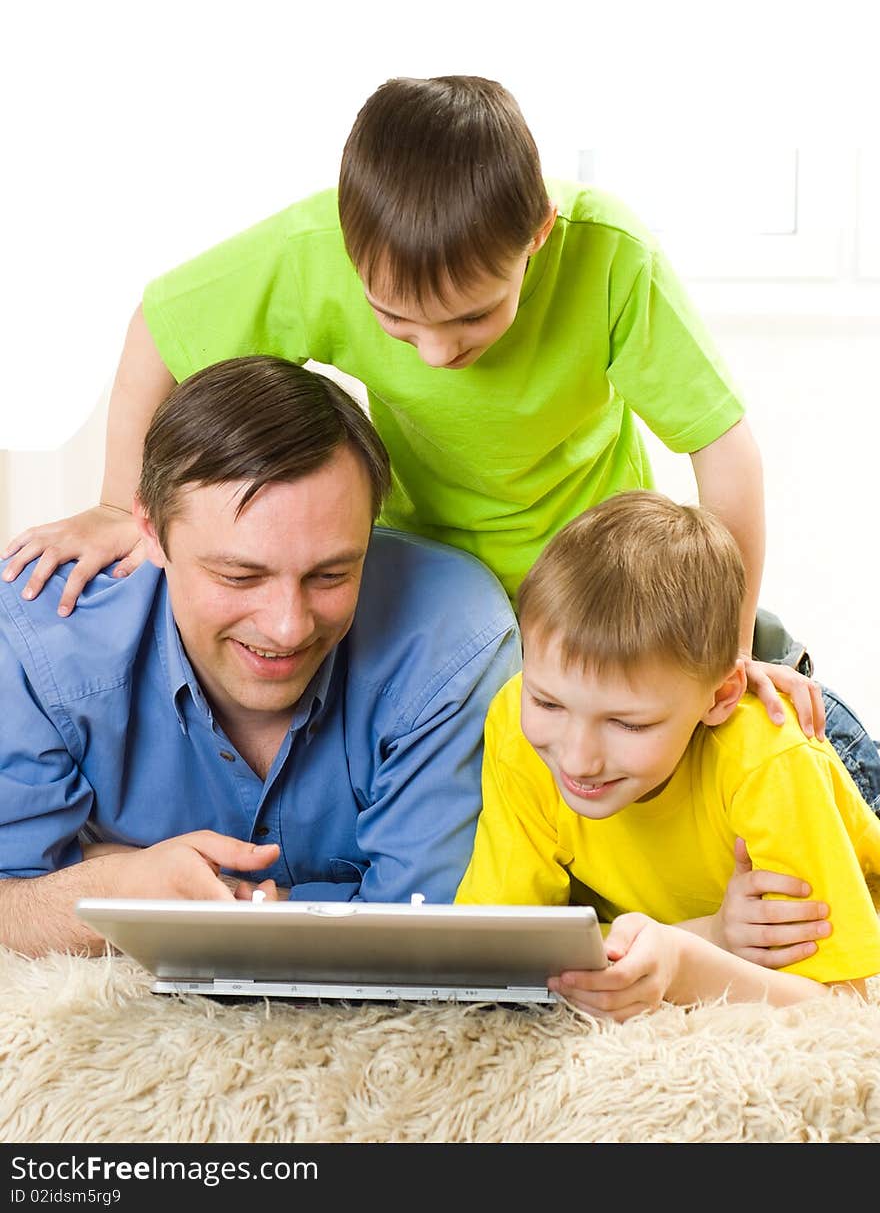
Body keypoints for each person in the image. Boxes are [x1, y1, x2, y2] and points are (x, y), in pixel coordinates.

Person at [0, 75, 826, 739]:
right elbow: (161, 327)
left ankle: (775, 650)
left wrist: (732, 642)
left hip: (590, 563)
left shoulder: (610, 254)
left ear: (537, 235)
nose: (438, 351)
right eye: (397, 322)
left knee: (718, 731)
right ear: (353, 253)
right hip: (427, 563)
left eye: (472, 317)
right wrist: (119, 504)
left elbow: (725, 450)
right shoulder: (315, 248)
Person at [0, 356, 520, 958]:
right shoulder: (38, 634)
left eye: (330, 574)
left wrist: (150, 895)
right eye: (239, 576)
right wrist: (120, 886)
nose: (287, 626)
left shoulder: (455, 640)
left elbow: (424, 924)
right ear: (149, 529)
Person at [455, 491, 880, 1020]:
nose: (579, 759)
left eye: (627, 723)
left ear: (721, 696)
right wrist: (709, 935)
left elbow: (847, 1006)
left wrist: (685, 967)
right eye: (546, 701)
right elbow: (500, 942)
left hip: (838, 758)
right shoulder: (516, 727)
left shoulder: (769, 764)